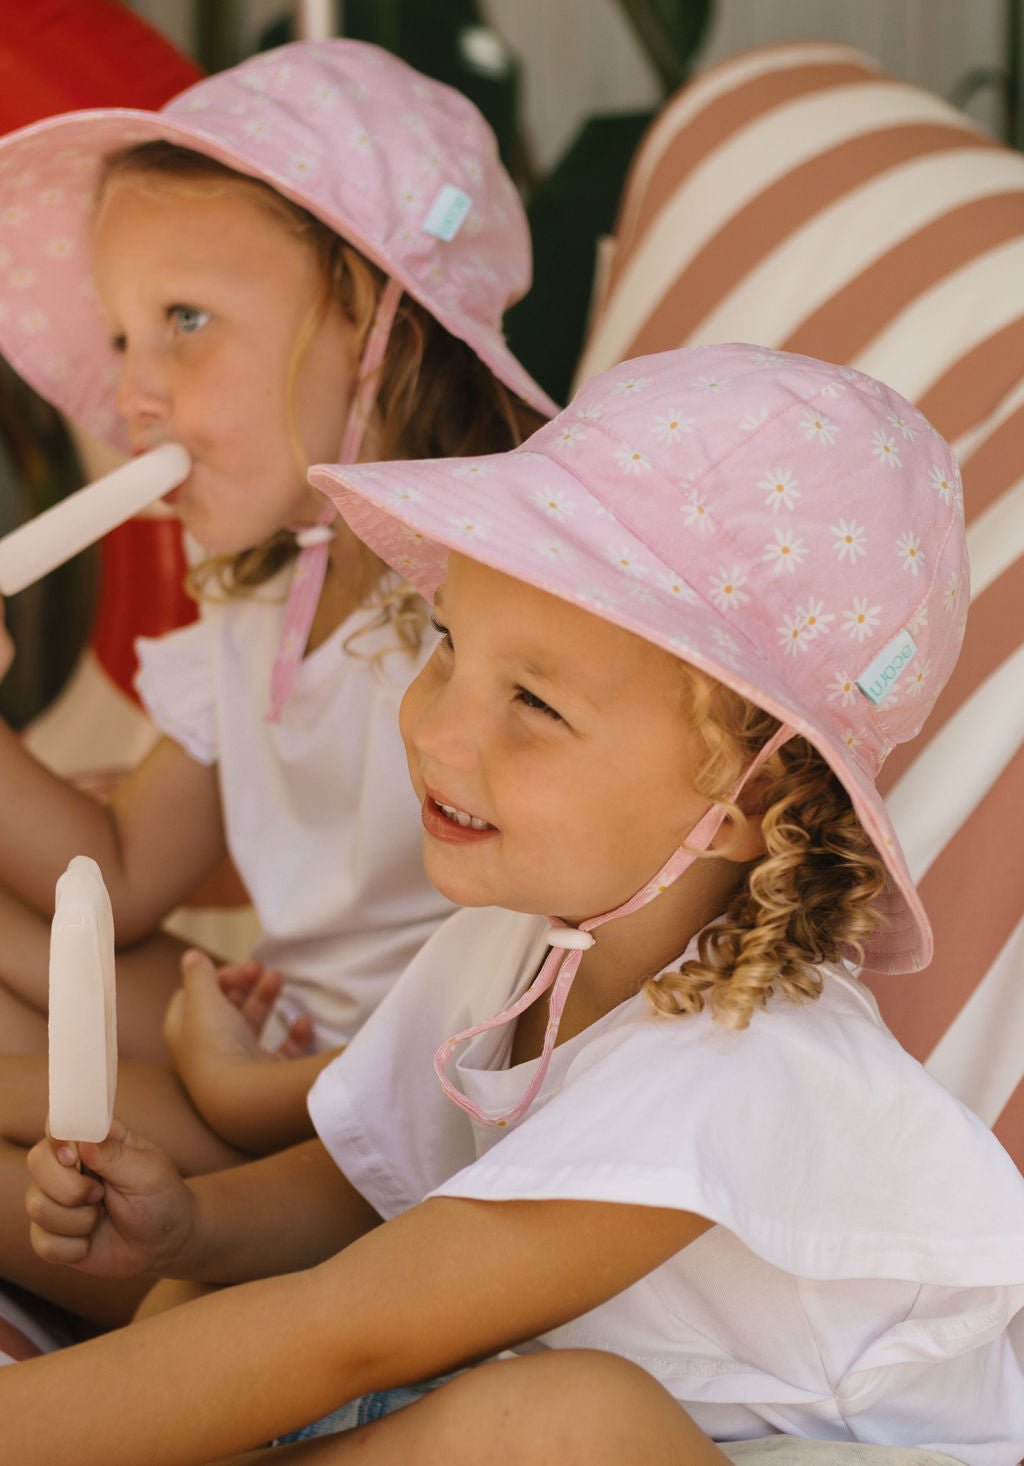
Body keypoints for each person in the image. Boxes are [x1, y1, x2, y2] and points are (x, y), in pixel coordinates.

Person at [9, 343, 1023, 1462]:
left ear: (748, 794)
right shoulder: (512, 945)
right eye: (448, 643)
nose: (435, 728)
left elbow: (348, 1332)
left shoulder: (741, 1071)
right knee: (219, 1274)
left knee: (560, 1426)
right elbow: (369, 1180)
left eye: (533, 701)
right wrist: (191, 1224)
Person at [0, 38, 554, 1325]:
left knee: (58, 1122)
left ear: (376, 312)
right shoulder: (261, 598)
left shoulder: (489, 621)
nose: (134, 390)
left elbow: (511, 1033)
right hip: (269, 1049)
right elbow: (121, 867)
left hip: (370, 1140)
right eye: (125, 334)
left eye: (184, 322)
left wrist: (233, 1075)